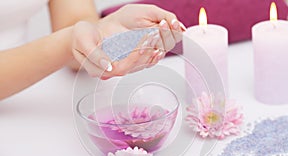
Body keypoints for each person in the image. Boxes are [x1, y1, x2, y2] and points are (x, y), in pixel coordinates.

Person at [0, 1, 185, 100]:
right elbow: (67, 40)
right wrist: (66, 43)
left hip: (31, 95)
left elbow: (74, 21)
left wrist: (101, 35)